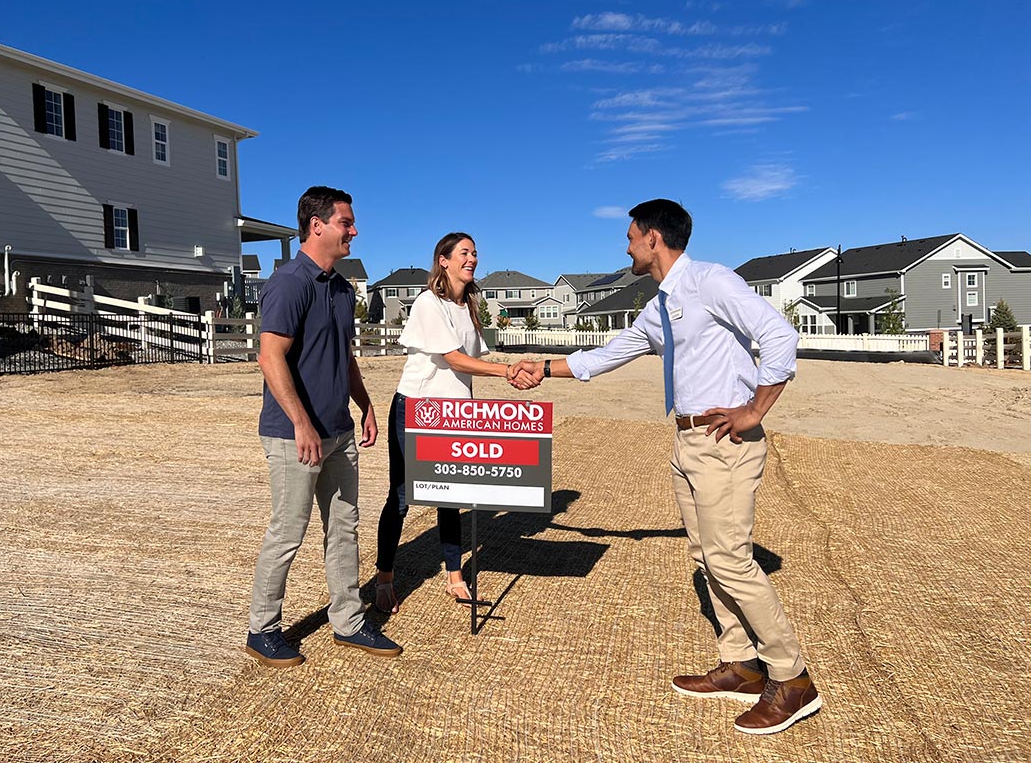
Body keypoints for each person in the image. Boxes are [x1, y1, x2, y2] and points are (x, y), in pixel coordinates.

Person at [514, 199, 820, 735]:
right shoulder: (658, 307)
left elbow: (780, 337)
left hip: (725, 437)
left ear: (654, 238)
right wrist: (539, 368)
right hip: (688, 441)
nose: (626, 246)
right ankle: (742, 664)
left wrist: (754, 410)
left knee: (729, 557)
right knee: (706, 556)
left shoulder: (711, 281)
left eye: (630, 237)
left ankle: (791, 678)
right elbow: (605, 354)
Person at [246, 186, 401, 667]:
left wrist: (366, 405)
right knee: (287, 532)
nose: (354, 231)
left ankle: (349, 622)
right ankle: (262, 629)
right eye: (346, 223)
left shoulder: (340, 288)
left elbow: (344, 357)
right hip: (295, 434)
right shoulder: (290, 283)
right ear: (317, 226)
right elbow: (269, 357)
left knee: (344, 527)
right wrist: (300, 423)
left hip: (337, 431)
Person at [374, 232, 537, 613]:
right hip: (416, 409)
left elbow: (473, 359)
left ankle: (454, 576)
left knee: (450, 495)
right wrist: (505, 371)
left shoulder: (469, 305)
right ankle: (384, 578)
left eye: (475, 253)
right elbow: (454, 359)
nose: (472, 258)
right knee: (401, 498)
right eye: (464, 252)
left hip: (453, 413)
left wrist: (518, 368)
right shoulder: (430, 304)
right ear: (443, 260)